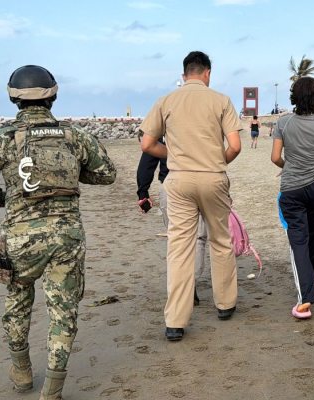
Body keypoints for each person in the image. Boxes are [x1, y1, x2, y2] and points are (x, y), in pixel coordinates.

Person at [0, 65, 116, 399]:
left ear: (13, 98)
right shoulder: (74, 136)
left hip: (19, 238)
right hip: (66, 237)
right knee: (63, 311)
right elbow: (107, 174)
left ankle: (21, 372)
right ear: (53, 96)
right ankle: (52, 390)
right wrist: (71, 177)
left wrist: (8, 199)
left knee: (18, 302)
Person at [139, 51, 241, 342]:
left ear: (184, 75)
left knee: (180, 247)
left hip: (179, 178)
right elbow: (235, 146)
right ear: (207, 73)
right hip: (213, 177)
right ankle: (225, 304)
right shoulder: (221, 100)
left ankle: (175, 321)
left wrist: (172, 154)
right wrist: (216, 161)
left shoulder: (166, 100)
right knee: (220, 240)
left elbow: (146, 144)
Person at [272, 77, 314, 319]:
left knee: (298, 241)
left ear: (294, 97)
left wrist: (289, 166)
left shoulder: (283, 123)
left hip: (292, 188)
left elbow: (275, 157)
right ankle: (310, 283)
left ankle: (305, 300)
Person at [135, 135, 208, 306]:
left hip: (172, 183)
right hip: (203, 183)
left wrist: (143, 192)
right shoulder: (205, 124)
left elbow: (148, 157)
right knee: (198, 238)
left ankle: (182, 286)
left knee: (176, 238)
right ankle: (191, 283)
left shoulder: (165, 125)